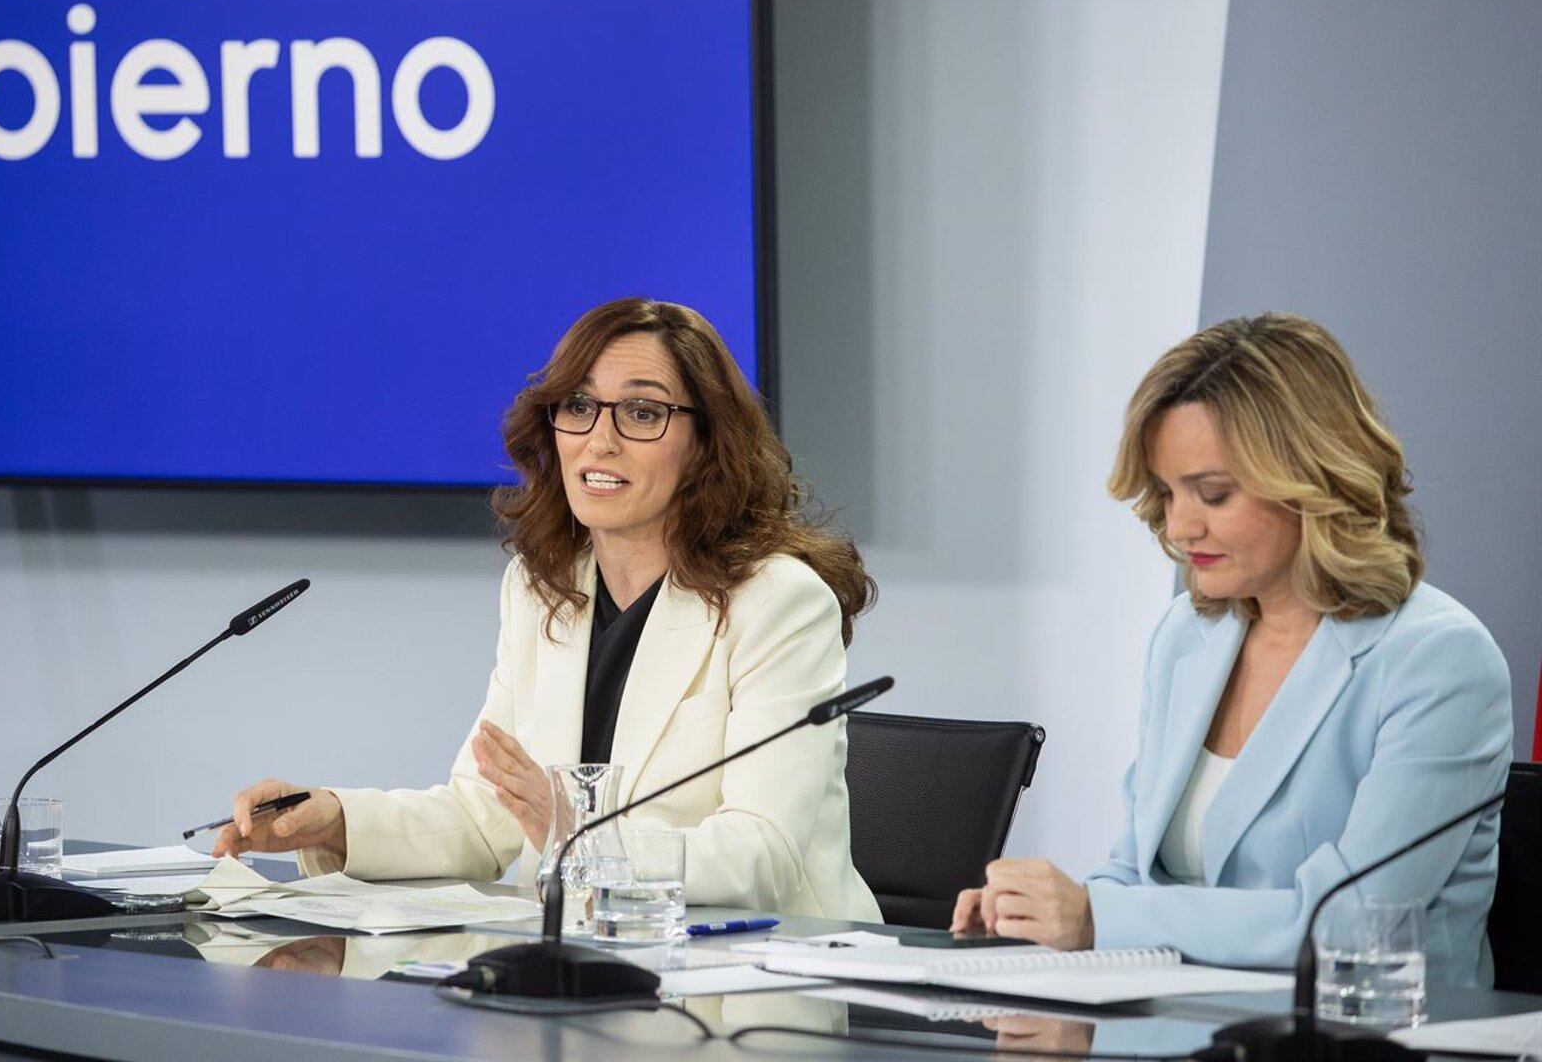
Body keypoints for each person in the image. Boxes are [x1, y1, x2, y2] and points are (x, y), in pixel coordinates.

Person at [214, 297, 882, 919]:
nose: (600, 440)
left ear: (708, 444)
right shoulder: (544, 589)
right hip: (592, 972)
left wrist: (576, 833)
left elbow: (763, 857)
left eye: (643, 413)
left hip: (760, 989)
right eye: (579, 406)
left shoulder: (777, 601)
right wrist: (335, 818)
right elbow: (485, 818)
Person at [952, 314, 1511, 986]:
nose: (1180, 526)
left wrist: (1099, 916)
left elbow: (1353, 919)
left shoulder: (1438, 659)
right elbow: (1135, 872)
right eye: (1166, 493)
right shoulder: (1185, 636)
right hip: (1186, 1024)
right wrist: (1039, 917)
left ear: (1312, 479)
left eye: (1213, 493)